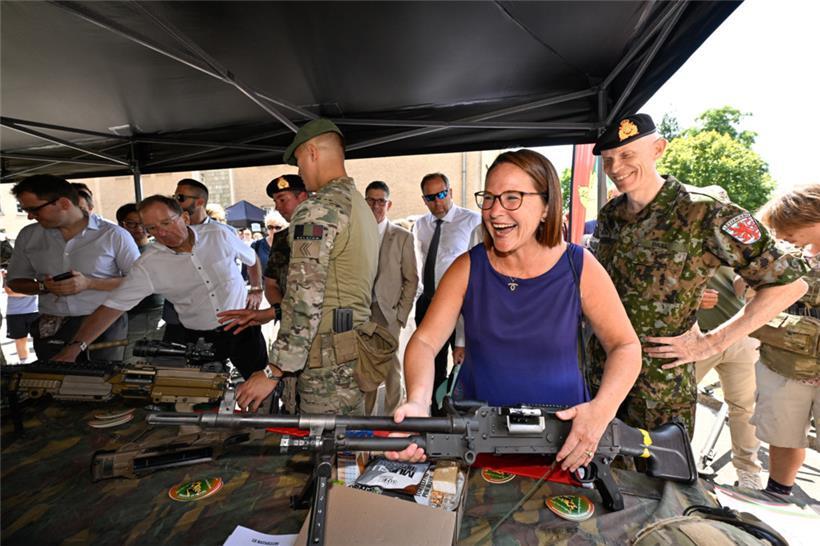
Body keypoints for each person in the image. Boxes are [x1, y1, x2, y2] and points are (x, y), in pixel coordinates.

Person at [388, 149, 641, 472]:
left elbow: (626, 346)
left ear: (546, 206)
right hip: (477, 441)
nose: (495, 212)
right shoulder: (467, 268)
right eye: (489, 198)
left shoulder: (580, 267)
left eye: (512, 198)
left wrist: (601, 411)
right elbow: (425, 342)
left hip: (564, 442)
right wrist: (418, 401)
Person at [588, 113, 808, 437]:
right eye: (608, 160)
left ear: (658, 149)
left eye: (626, 155)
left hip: (657, 390)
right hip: (601, 377)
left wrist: (711, 343)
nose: (616, 167)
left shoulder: (706, 211)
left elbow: (788, 285)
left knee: (659, 469)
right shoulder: (611, 215)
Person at [219, 119, 378, 415]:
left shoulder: (319, 209)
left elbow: (305, 296)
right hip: (350, 356)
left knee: (321, 442)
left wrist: (273, 370)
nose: (300, 171)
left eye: (299, 161)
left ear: (312, 152)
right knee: (346, 441)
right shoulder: (358, 205)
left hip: (324, 366)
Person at [53, 195, 267, 378]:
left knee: (261, 383)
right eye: (152, 228)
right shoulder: (149, 265)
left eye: (166, 223)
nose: (161, 233)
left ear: (185, 218)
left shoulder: (219, 235)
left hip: (244, 327)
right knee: (203, 398)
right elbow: (113, 306)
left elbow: (251, 259)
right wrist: (75, 347)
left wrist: (256, 289)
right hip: (201, 339)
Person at [6, 175, 139, 362]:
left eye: (34, 209)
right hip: (52, 325)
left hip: (104, 325)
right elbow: (15, 282)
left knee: (101, 379)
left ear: (64, 203)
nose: (29, 216)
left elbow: (139, 282)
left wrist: (90, 283)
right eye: (26, 210)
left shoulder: (113, 235)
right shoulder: (29, 235)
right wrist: (44, 287)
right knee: (51, 378)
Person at [750, 184, 820, 496]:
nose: (780, 234)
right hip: (783, 365)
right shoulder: (790, 255)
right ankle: (777, 494)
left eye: (787, 227)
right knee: (783, 437)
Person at [413, 172, 481, 414]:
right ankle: (432, 415)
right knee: (430, 363)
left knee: (463, 362)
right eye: (430, 197)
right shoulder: (420, 225)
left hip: (460, 306)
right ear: (424, 200)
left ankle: (459, 415)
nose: (437, 202)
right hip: (428, 302)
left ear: (450, 192)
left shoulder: (472, 221)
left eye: (442, 194)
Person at [695, 267, 763, 489]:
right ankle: (673, 462)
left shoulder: (742, 247)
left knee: (745, 408)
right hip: (695, 337)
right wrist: (692, 298)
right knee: (676, 402)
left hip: (739, 335)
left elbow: (742, 287)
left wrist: (751, 281)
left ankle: (748, 473)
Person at [162, 179, 244, 344]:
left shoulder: (225, 233)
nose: (175, 202)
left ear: (199, 202)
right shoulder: (165, 234)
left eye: (180, 198)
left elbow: (239, 270)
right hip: (178, 317)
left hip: (220, 318)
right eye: (174, 197)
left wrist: (256, 289)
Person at [364, 180, 419, 415]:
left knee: (391, 368)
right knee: (363, 366)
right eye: (371, 201)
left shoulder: (402, 237)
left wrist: (400, 315)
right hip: (360, 312)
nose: (376, 206)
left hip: (388, 313)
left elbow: (412, 279)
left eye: (381, 201)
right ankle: (363, 419)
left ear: (389, 205)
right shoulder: (355, 235)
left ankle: (392, 417)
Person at [115, 203, 165, 361]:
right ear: (121, 225)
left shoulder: (160, 248)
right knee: (131, 361)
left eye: (142, 223)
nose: (138, 228)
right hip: (127, 313)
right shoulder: (116, 250)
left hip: (156, 310)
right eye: (132, 224)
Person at [262, 174, 310, 319]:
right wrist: (283, 313)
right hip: (290, 321)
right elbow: (270, 284)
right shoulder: (281, 238)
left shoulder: (328, 232)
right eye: (275, 201)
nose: (277, 207)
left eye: (282, 200)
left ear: (302, 197)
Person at [3, 269, 38, 363]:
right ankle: (23, 364)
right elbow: (9, 292)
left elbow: (42, 289)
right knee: (20, 339)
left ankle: (42, 364)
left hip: (34, 311)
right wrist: (32, 292)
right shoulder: (10, 274)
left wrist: (35, 291)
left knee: (40, 339)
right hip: (15, 313)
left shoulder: (36, 271)